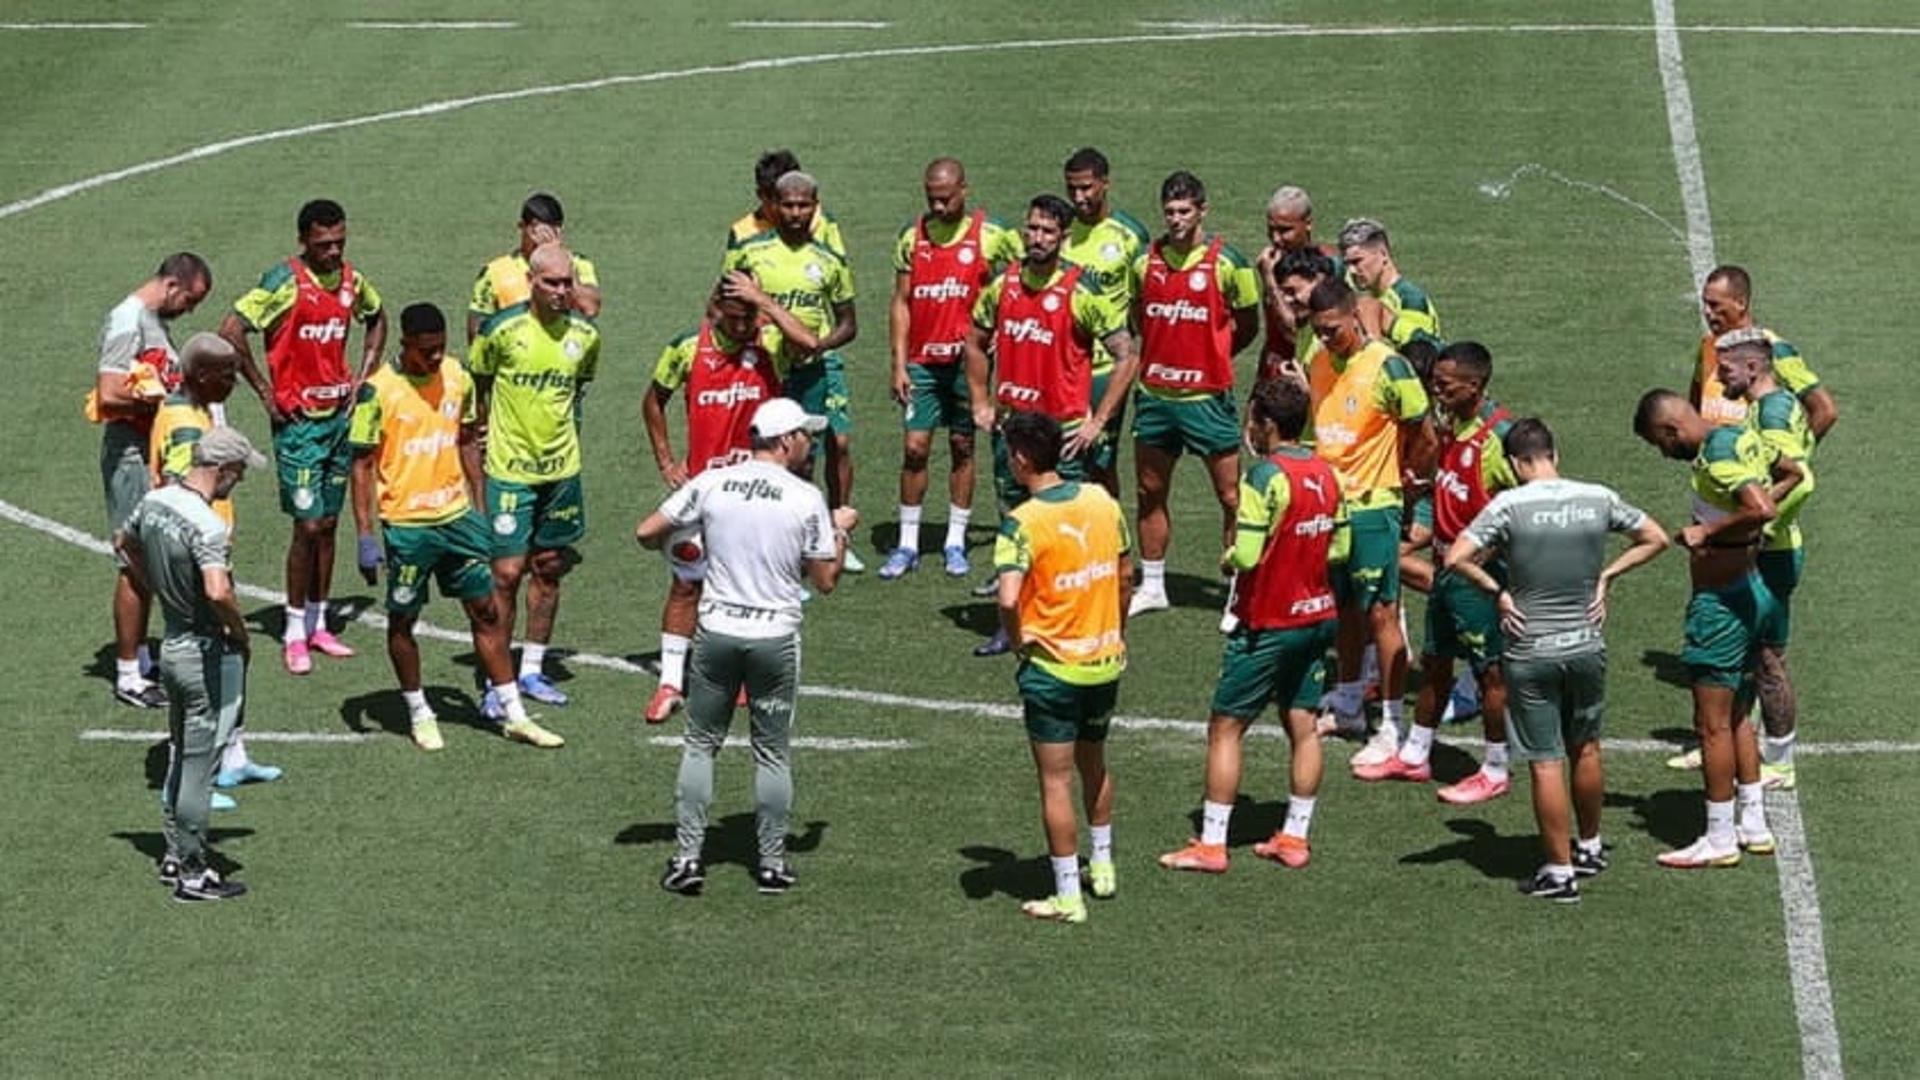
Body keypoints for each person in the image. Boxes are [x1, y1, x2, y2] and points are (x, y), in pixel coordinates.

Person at [637, 398, 858, 897]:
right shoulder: (805, 499)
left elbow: (647, 532)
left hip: (716, 633)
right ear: (785, 441)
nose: (811, 442)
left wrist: (687, 553)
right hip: (774, 639)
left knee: (700, 745)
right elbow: (824, 580)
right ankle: (772, 864)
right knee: (772, 754)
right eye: (806, 435)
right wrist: (840, 534)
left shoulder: (713, 483)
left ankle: (688, 858)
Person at [1445, 418, 1670, 902]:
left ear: (1512, 463)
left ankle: (1559, 871)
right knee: (1585, 747)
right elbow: (1656, 537)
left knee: (1545, 761)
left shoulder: (1508, 505)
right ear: (1555, 452)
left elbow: (1455, 558)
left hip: (1530, 648)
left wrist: (1498, 591)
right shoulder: (1598, 497)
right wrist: (1607, 577)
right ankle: (1588, 846)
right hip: (1586, 643)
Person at [349, 303, 565, 751]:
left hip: (457, 519)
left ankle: (514, 713)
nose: (434, 358)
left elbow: (467, 439)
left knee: (485, 611)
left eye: (440, 348)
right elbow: (362, 464)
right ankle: (418, 711)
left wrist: (480, 507)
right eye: (425, 351)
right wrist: (366, 535)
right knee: (404, 618)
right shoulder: (378, 392)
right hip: (408, 526)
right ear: (404, 344)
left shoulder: (458, 377)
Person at [1160, 379, 1344, 874]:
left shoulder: (1264, 477)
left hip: (1269, 621)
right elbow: (1342, 549)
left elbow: (1245, 553)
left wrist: (1228, 560)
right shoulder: (1327, 473)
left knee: (1226, 726)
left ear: (1265, 424)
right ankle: (1295, 837)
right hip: (1318, 617)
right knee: (1303, 726)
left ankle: (1213, 844)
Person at [1633, 390, 1803, 868]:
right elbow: (1792, 472)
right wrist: (1745, 528)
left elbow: (1761, 508)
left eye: (1659, 444)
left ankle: (1719, 835)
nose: (1663, 453)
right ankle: (1753, 824)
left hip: (1722, 603)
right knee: (1737, 718)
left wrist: (1707, 533)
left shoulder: (1718, 456)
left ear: (1671, 430)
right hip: (1754, 587)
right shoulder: (1738, 435)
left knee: (1711, 725)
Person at [964, 194, 1138, 656]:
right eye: (1032, 229)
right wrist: (980, 400)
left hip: (1062, 435)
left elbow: (1127, 354)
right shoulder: (1002, 286)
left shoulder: (1082, 292)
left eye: (1047, 231)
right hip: (1012, 429)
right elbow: (975, 341)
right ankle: (1014, 624)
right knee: (1012, 522)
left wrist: (1098, 420)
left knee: (1066, 527)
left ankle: (1080, 616)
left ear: (1063, 238)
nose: (1037, 238)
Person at [219, 199, 388, 673]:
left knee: (330, 524)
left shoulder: (353, 283)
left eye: (340, 242)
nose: (334, 252)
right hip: (299, 426)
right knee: (307, 526)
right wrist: (264, 392)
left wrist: (365, 371)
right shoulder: (284, 282)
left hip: (337, 418)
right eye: (324, 244)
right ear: (304, 242)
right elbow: (232, 328)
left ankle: (318, 623)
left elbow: (378, 318)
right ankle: (293, 630)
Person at [641, 276, 813, 723]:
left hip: (761, 490)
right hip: (705, 489)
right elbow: (653, 401)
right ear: (715, 311)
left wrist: (765, 304)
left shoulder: (770, 340)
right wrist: (666, 461)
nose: (745, 327)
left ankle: (742, 676)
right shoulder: (686, 349)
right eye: (736, 318)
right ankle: (671, 682)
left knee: (751, 580)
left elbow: (809, 343)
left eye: (750, 316)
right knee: (685, 582)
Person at [1353, 342, 1514, 804]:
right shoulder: (1452, 429)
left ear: (1475, 385)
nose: (1436, 392)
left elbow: (1524, 507)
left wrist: (1490, 559)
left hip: (1479, 575)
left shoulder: (1499, 438)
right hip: (1447, 568)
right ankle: (1415, 754)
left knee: (1491, 675)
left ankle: (1496, 767)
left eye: (1445, 385)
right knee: (1436, 663)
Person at [113, 428, 268, 903]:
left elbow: (124, 541)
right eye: (237, 473)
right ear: (220, 469)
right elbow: (219, 591)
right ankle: (193, 872)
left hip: (172, 645)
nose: (237, 483)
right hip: (202, 652)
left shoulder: (156, 501)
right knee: (201, 763)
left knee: (183, 753)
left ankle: (175, 854)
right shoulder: (207, 525)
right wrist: (239, 634)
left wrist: (157, 586)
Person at [992, 411, 1131, 924]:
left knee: (1055, 781)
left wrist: (1016, 637)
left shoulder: (1023, 523)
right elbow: (1124, 574)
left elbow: (1008, 596)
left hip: (1053, 668)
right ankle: (1104, 863)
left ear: (1023, 459)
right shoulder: (1101, 499)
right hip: (1104, 660)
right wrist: (1119, 635)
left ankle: (1068, 893)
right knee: (1094, 763)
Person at [1302, 279, 1435, 768]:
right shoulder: (1317, 363)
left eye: (1332, 330)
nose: (1326, 339)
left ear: (1353, 316)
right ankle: (1348, 702)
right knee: (1344, 610)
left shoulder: (1389, 366)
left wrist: (1409, 481)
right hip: (1329, 508)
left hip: (1374, 507)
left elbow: (1423, 431)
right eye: (1318, 332)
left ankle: (1391, 722)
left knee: (1382, 612)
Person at [468, 243, 600, 717]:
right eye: (553, 283)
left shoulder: (585, 336)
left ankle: (532, 669)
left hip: (562, 471)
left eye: (569, 283)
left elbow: (579, 385)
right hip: (509, 470)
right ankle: (495, 680)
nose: (564, 292)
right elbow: (478, 380)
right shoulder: (501, 331)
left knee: (548, 568)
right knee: (504, 575)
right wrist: (480, 430)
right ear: (532, 281)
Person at [880, 157, 1023, 580]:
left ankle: (955, 541)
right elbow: (901, 303)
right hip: (923, 363)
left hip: (968, 364)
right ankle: (907, 543)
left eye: (946, 199)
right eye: (932, 199)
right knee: (915, 449)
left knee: (963, 446)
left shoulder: (993, 235)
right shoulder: (912, 237)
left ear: (964, 189)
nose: (939, 208)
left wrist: (1003, 326)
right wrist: (898, 363)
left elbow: (1020, 284)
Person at [150, 333, 282, 790]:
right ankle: (188, 779)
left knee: (227, 661)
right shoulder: (186, 425)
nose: (233, 384)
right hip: (198, 561)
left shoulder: (190, 410)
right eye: (227, 376)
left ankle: (233, 756)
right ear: (203, 375)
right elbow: (178, 490)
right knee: (208, 664)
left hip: (209, 552)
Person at [1126, 170, 1261, 617]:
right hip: (1155, 397)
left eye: (1185, 211)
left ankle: (1238, 591)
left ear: (1203, 211)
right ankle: (1154, 585)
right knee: (1149, 492)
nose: (1176, 220)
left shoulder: (1228, 263)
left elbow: (1247, 324)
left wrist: (1214, 355)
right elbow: (1137, 318)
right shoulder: (1145, 263)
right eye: (1169, 212)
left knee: (1231, 498)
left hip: (1206, 398)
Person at [722, 170, 864, 571]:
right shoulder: (748, 252)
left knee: (806, 458)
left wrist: (820, 346)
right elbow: (721, 306)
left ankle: (818, 540)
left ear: (815, 206)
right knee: (761, 452)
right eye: (788, 205)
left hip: (811, 372)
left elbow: (848, 324)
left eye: (804, 205)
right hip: (763, 371)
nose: (796, 213)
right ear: (774, 206)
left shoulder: (829, 261)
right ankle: (763, 544)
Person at [94, 252, 212, 709]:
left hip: (149, 450)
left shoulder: (149, 320)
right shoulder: (129, 319)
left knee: (150, 555)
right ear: (172, 285)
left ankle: (142, 657)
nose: (189, 309)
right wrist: (159, 396)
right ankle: (128, 674)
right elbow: (108, 391)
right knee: (135, 557)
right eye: (190, 299)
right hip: (131, 453)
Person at [1715, 328, 1816, 789]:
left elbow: (1801, 479)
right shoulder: (1773, 406)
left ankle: (1778, 759)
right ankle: (1741, 741)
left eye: (1727, 368)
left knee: (1767, 658)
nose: (1719, 377)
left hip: (1771, 553)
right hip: (1772, 548)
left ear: (1753, 367)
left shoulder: (1772, 412)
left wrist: (1762, 524)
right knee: (1750, 654)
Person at [1060, 147, 1151, 498]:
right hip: (1061, 367)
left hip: (1104, 368)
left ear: (1105, 184)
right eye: (1072, 189)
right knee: (1057, 455)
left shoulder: (1129, 236)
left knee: (1099, 460)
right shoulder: (1060, 230)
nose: (1079, 197)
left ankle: (1111, 542)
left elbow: (1143, 301)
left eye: (1086, 188)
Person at [1690, 265, 1837, 439]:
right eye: (1705, 303)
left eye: (1714, 305)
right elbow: (1695, 403)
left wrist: (1794, 456)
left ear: (1741, 303)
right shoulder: (1708, 345)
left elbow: (1825, 411)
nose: (1707, 312)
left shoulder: (1774, 349)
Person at [468, 192, 602, 345]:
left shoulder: (579, 265)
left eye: (550, 230)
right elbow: (477, 329)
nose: (541, 237)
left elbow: (590, 309)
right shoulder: (495, 271)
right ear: (521, 227)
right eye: (535, 229)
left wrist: (559, 257)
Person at [1339, 217, 1442, 350]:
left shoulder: (1411, 299)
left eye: (1357, 261)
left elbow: (1421, 354)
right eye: (1347, 264)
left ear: (1383, 254)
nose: (1351, 270)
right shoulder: (1373, 297)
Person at [726, 148, 848, 256]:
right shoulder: (742, 233)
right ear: (760, 195)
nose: (795, 213)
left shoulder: (822, 220)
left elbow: (838, 267)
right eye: (775, 199)